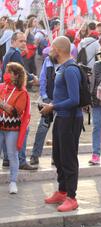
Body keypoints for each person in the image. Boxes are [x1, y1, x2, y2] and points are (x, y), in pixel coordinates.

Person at [40, 36, 83, 212]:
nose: (50, 51)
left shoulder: (71, 69)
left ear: (58, 50)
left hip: (70, 119)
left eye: (52, 48)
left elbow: (75, 99)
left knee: (68, 159)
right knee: (58, 157)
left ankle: (72, 197)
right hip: (61, 117)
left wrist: (53, 106)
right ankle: (62, 190)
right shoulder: (62, 67)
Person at [1, 31, 38, 171]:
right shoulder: (15, 54)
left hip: (8, 95)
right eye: (21, 41)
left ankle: (6, 159)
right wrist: (33, 78)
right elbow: (20, 74)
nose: (24, 43)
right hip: (15, 95)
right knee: (23, 127)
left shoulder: (8, 53)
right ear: (13, 41)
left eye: (24, 41)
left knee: (6, 127)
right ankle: (21, 160)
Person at [0, 62, 30, 194]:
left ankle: (13, 182)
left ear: (16, 75)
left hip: (12, 129)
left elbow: (15, 112)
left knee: (12, 155)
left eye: (9, 71)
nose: (6, 74)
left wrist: (1, 104)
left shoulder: (22, 92)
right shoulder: (2, 87)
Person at [29, 55, 57, 165]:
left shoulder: (68, 61)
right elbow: (43, 78)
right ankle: (35, 155)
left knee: (59, 130)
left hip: (62, 101)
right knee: (43, 128)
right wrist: (45, 97)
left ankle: (56, 156)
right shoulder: (48, 60)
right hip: (48, 99)